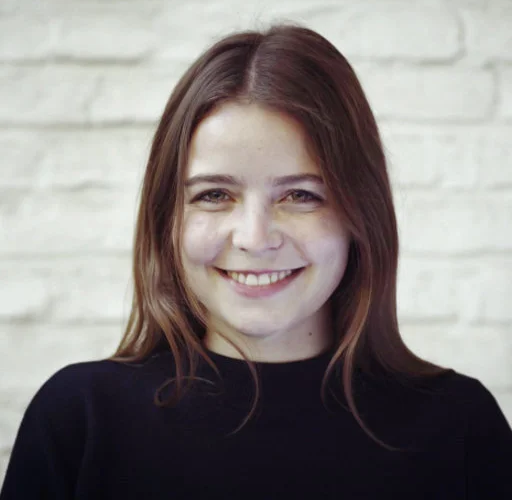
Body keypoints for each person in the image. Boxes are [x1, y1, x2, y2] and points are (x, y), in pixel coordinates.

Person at [1, 24, 511, 499]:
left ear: (361, 215)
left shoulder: (460, 426)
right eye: (214, 195)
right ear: (167, 220)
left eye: (301, 196)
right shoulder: (78, 420)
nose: (254, 238)